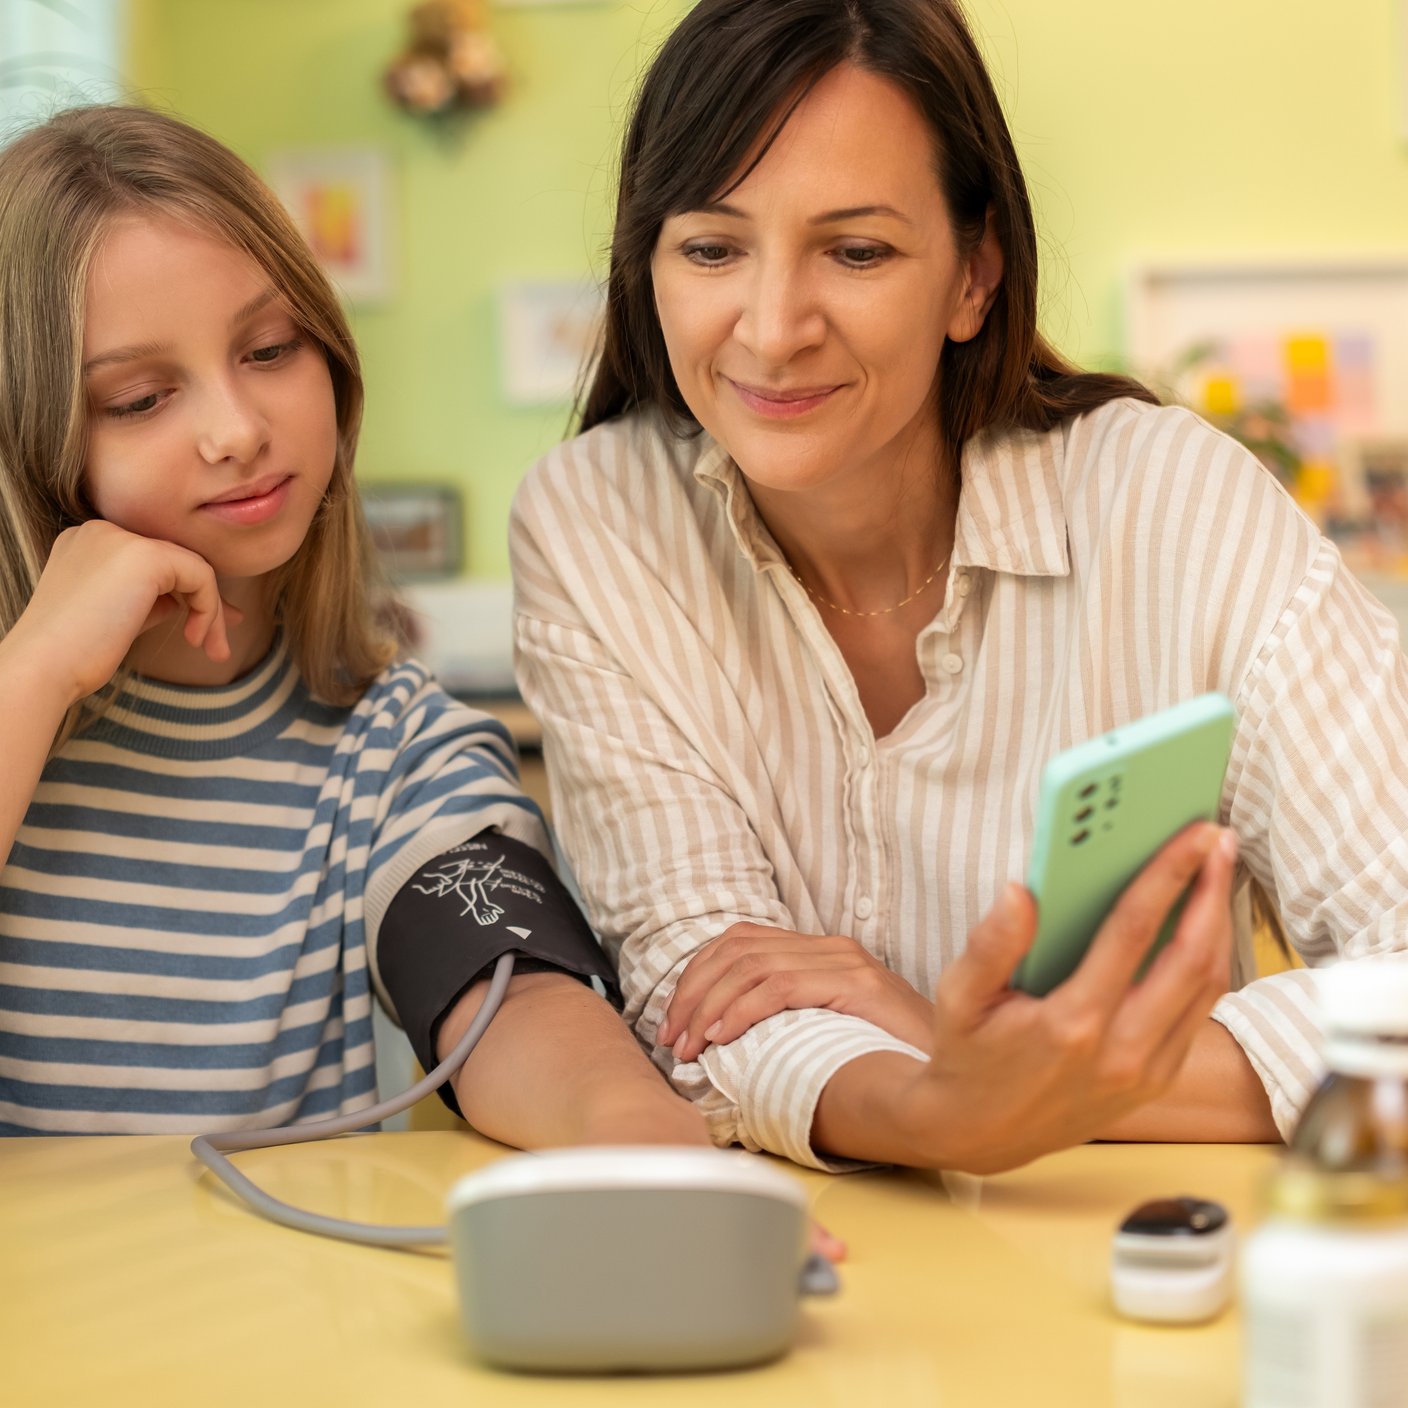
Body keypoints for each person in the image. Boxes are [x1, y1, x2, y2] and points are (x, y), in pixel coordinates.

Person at [510, 0, 1408, 1174]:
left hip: (1142, 1279)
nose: (773, 330)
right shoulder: (601, 523)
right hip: (817, 1290)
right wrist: (945, 1106)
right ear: (651, 266)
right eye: (713, 248)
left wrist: (958, 1060)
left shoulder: (1172, 504)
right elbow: (698, 1003)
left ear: (973, 277)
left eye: (857, 250)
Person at [0, 103, 707, 1148]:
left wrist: (639, 1136)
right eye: (143, 398)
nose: (237, 431)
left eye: (271, 348)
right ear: (30, 438)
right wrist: (38, 670)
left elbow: (517, 1004)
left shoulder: (396, 745)